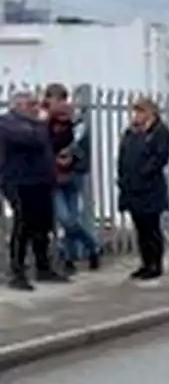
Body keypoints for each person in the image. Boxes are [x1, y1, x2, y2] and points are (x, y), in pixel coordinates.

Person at [0, 92, 65, 290]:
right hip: (19, 181)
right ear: (18, 106)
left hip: (40, 181)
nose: (36, 108)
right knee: (23, 225)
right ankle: (17, 272)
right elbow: (30, 140)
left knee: (42, 225)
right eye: (31, 104)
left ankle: (43, 267)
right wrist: (43, 122)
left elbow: (52, 143)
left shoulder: (37, 125)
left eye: (36, 104)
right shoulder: (7, 123)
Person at [44, 84, 101, 272]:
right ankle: (92, 246)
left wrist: (70, 154)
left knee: (72, 218)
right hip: (53, 175)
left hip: (73, 173)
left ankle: (70, 257)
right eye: (53, 100)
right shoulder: (44, 121)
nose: (57, 104)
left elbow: (80, 144)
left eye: (60, 99)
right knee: (65, 218)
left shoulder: (76, 120)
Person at [116, 96, 169, 280]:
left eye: (140, 111)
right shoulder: (130, 132)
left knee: (151, 227)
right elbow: (123, 155)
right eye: (135, 111)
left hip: (150, 187)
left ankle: (155, 263)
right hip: (132, 187)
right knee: (140, 228)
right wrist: (123, 178)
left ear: (151, 113)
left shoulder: (159, 131)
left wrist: (143, 173)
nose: (136, 115)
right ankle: (145, 262)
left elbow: (160, 157)